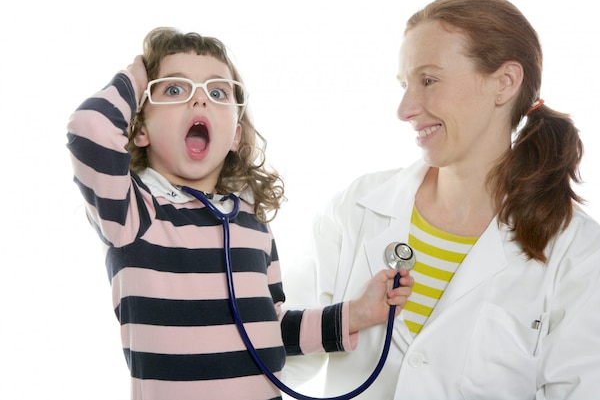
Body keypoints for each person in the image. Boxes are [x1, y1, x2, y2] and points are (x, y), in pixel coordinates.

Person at [285, 0, 600, 400]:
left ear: (505, 82)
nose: (405, 108)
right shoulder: (355, 209)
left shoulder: (578, 253)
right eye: (405, 84)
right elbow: (272, 356)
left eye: (428, 80)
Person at [66, 27, 413, 400]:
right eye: (174, 89)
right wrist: (136, 76)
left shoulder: (249, 222)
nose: (199, 102)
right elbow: (89, 129)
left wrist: (356, 313)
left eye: (217, 92)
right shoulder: (133, 213)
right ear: (140, 129)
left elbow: (269, 327)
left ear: (235, 135)